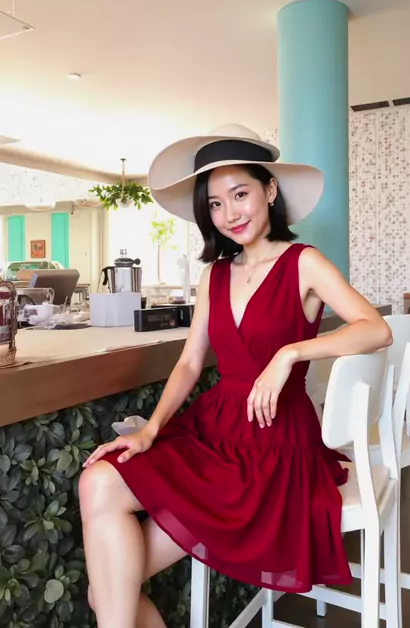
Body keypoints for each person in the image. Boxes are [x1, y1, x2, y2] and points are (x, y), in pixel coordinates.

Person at [79, 123, 392, 628]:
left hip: (273, 441)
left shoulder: (304, 262)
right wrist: (151, 429)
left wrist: (290, 353)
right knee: (97, 483)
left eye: (240, 194)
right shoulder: (215, 274)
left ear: (270, 191)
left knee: (106, 592)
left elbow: (376, 329)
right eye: (216, 204)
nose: (229, 213)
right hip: (213, 429)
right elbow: (190, 361)